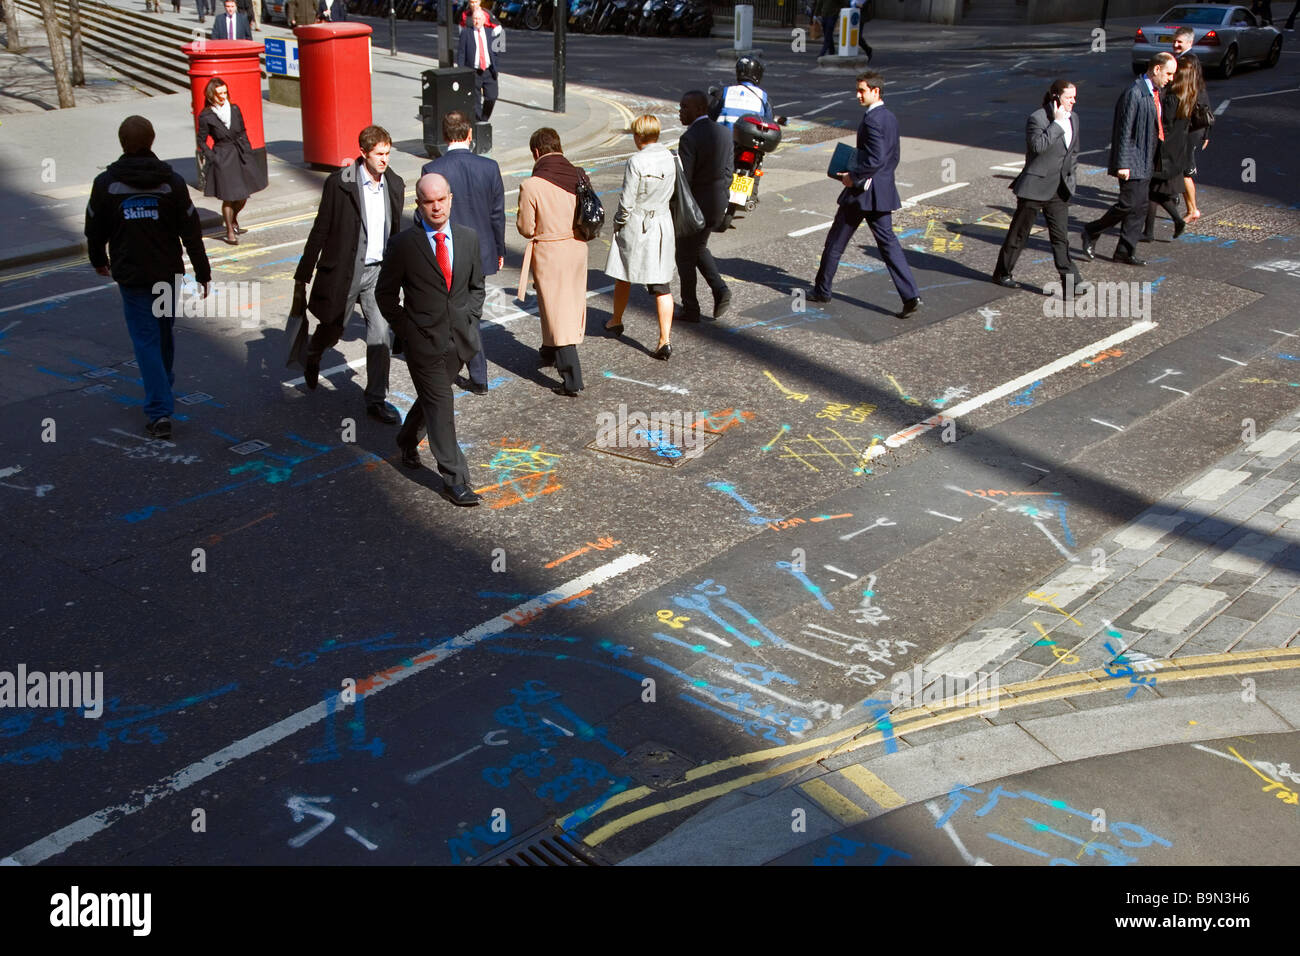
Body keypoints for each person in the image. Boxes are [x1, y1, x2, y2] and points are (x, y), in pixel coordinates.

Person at [85, 116, 212, 440]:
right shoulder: (171, 182)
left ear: (121, 142)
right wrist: (202, 271)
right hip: (166, 272)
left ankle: (159, 411)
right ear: (152, 140)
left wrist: (99, 260)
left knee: (147, 342)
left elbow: (94, 229)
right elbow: (191, 231)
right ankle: (162, 391)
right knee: (162, 336)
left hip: (132, 274)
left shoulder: (106, 184)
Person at [377, 173, 485, 507]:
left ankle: (407, 439)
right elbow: (385, 295)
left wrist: (470, 319)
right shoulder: (404, 244)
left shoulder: (468, 239)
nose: (436, 207)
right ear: (419, 205)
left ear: (450, 199)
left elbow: (476, 287)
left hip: (459, 340)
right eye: (428, 201)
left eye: (441, 200)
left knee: (431, 400)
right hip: (422, 343)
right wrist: (408, 329)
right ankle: (456, 479)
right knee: (442, 403)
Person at [295, 125, 405, 424]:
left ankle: (376, 399)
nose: (385, 159)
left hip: (379, 273)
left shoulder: (394, 184)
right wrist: (304, 271)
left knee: (380, 333)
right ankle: (314, 352)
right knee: (332, 329)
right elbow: (322, 227)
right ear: (363, 153)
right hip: (347, 272)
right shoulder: (339, 183)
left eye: (388, 153)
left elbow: (396, 233)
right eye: (379, 154)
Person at [809, 71, 922, 319]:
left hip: (861, 194)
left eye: (862, 90)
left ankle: (822, 290)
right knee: (889, 245)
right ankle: (911, 295)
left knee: (836, 241)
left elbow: (875, 158)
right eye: (858, 90)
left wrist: (852, 176)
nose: (858, 94)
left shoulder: (872, 120)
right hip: (881, 192)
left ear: (876, 91)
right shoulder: (890, 117)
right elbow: (892, 158)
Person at [422, 109, 506, 395]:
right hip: (481, 251)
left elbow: (426, 218)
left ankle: (454, 369)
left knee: (451, 312)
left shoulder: (432, 170)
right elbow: (497, 214)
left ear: (444, 137)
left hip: (449, 253)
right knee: (471, 313)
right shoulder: (490, 167)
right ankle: (478, 375)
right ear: (470, 134)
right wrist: (499, 248)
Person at [992, 80, 1092, 297]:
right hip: (1035, 187)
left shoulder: (1074, 118)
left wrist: (1070, 178)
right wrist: (1056, 124)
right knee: (1020, 234)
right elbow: (1037, 147)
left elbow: (1073, 152)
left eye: (1075, 97)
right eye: (1069, 97)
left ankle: (1071, 281)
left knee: (1060, 237)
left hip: (1059, 189)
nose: (1073, 102)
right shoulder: (1037, 118)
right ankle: (1002, 272)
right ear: (1055, 97)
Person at [1080, 52, 1176, 268]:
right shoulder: (1134, 93)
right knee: (1128, 204)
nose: (1171, 78)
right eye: (1169, 73)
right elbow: (1123, 130)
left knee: (1140, 207)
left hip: (1146, 160)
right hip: (1132, 160)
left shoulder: (1155, 92)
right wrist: (1122, 163)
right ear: (1156, 69)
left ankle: (1124, 251)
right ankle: (1091, 230)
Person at [517, 128, 589, 396]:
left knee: (556, 311)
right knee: (564, 304)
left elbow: (526, 228)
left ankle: (572, 378)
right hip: (578, 247)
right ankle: (548, 352)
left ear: (536, 152)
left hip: (550, 250)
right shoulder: (580, 174)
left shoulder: (532, 185)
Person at [604, 115, 677, 361]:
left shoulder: (636, 161)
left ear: (639, 136)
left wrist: (618, 222)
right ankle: (664, 339)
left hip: (639, 223)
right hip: (662, 223)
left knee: (624, 273)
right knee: (661, 285)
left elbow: (627, 201)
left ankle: (616, 320)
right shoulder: (670, 156)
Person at [675, 90, 733, 324]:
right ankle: (720, 289)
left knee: (684, 256)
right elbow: (729, 172)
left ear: (700, 109)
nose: (680, 112)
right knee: (698, 248)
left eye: (684, 108)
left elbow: (684, 181)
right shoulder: (724, 133)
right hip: (718, 204)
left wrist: (677, 209)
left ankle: (691, 309)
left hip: (695, 208)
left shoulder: (689, 139)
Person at [196, 76, 267, 244]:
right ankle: (229, 231)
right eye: (219, 94)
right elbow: (201, 140)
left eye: (225, 93)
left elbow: (242, 131)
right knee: (229, 196)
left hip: (240, 153)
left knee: (242, 196)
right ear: (210, 95)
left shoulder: (234, 109)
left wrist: (248, 152)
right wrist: (213, 157)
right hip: (222, 156)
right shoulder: (206, 116)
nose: (223, 97)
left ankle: (233, 219)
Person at [1142, 58, 1192, 243]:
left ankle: (1174, 221)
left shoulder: (1171, 99)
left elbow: (1165, 126)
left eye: (1172, 75)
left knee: (1153, 191)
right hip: (1176, 150)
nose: (1169, 78)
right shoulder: (1186, 96)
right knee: (1155, 192)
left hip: (1165, 152)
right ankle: (1149, 231)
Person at [1172, 27, 1211, 222]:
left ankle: (1192, 210)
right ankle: (1174, 196)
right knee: (1179, 166)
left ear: (1189, 43)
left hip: (1191, 128)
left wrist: (1205, 133)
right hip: (1191, 126)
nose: (1175, 44)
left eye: (1179, 41)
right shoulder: (1186, 60)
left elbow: (1201, 101)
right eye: (1175, 41)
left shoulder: (1188, 62)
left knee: (1185, 170)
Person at [457, 8, 499, 122]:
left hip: (489, 71)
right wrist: (461, 72)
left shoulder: (490, 33)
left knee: (492, 96)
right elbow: (461, 53)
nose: (477, 21)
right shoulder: (466, 32)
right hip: (473, 71)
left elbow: (494, 51)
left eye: (479, 18)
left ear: (484, 20)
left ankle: (483, 119)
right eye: (475, 18)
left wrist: (495, 64)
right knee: (475, 101)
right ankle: (479, 124)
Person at [710, 55, 773, 129]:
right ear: (757, 74)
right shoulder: (763, 97)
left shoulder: (724, 93)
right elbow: (769, 123)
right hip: (749, 139)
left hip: (725, 138)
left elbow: (710, 117)